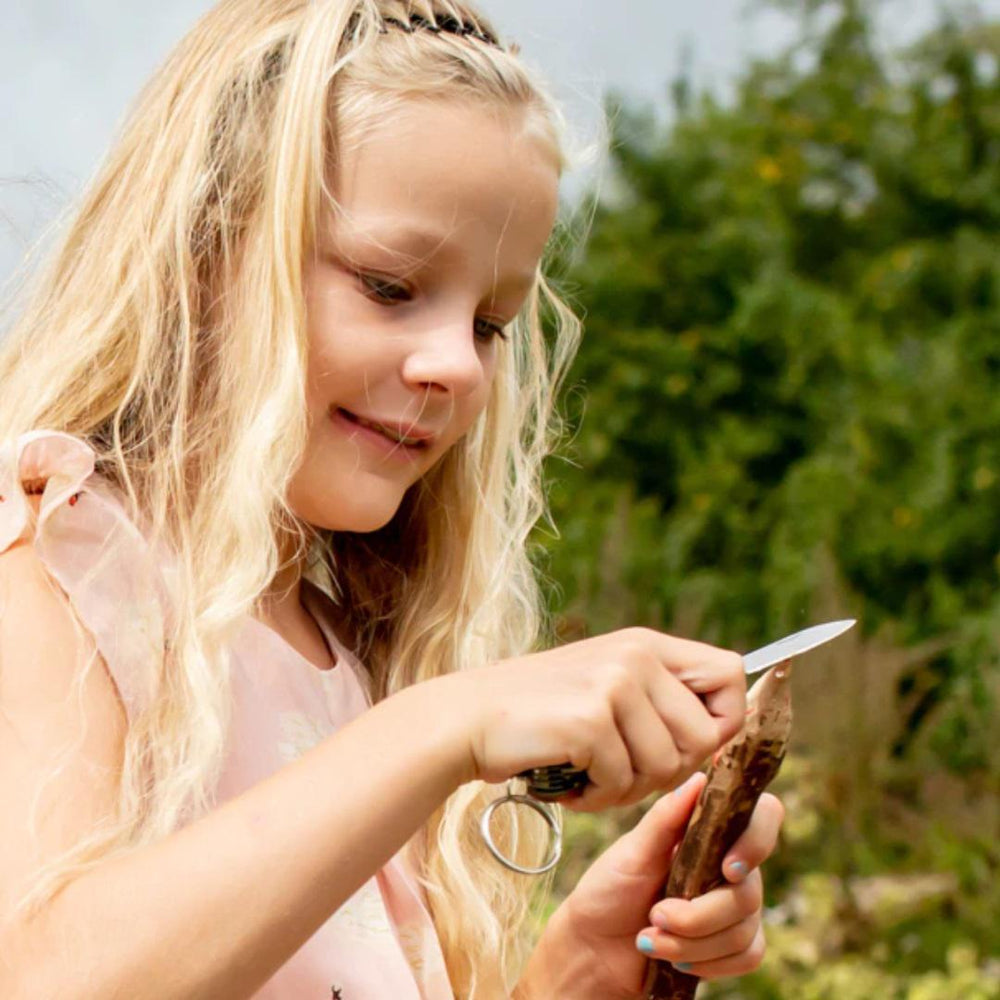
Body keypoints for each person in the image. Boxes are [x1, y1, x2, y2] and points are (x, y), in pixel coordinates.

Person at [0, 2, 784, 997]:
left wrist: (577, 974)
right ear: (204, 253)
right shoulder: (56, 563)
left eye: (492, 323)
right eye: (389, 284)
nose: (456, 364)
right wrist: (441, 729)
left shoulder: (350, 658)